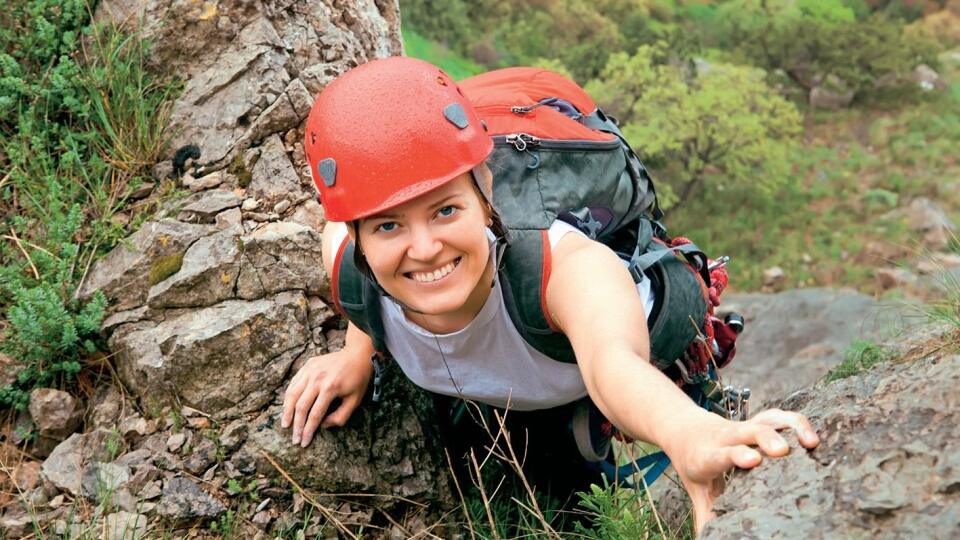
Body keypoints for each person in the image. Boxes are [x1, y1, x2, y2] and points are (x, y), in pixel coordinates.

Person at [282, 56, 820, 532]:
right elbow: (361, 270)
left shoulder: (563, 269)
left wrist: (689, 432)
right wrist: (358, 352)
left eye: (446, 210)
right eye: (388, 227)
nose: (423, 249)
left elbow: (614, 363)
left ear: (486, 192)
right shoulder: (345, 258)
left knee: (572, 486)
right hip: (508, 376)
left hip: (573, 362)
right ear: (356, 237)